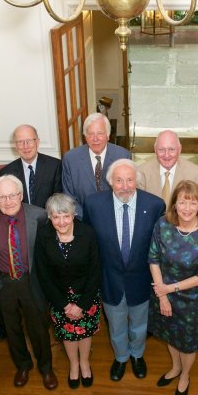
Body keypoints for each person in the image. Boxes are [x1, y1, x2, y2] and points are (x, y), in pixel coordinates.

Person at [0, 175, 58, 390]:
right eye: (2, 197)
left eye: (13, 195)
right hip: (1, 283)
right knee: (11, 328)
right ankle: (23, 365)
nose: (8, 201)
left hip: (30, 281)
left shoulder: (39, 215)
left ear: (21, 195)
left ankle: (46, 368)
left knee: (38, 328)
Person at [84, 159, 165, 382]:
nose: (125, 185)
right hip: (109, 279)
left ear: (137, 181)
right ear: (110, 182)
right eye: (119, 180)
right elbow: (89, 243)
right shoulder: (93, 204)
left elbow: (159, 247)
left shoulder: (156, 205)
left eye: (130, 180)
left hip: (141, 279)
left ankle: (137, 355)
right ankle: (121, 357)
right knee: (117, 324)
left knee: (139, 324)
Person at [148, 180, 198, 395]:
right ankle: (175, 367)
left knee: (187, 341)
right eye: (182, 202)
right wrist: (163, 295)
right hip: (163, 293)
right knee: (170, 333)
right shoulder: (163, 225)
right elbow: (153, 258)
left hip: (191, 298)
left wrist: (169, 289)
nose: (187, 209)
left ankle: (185, 375)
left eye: (192, 203)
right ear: (174, 205)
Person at [34, 194, 103, 389]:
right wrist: (64, 304)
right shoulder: (43, 236)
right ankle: (74, 364)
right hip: (59, 298)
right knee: (68, 333)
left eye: (66, 216)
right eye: (56, 217)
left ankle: (84, 362)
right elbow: (43, 274)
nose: (61, 222)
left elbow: (95, 271)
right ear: (50, 217)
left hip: (86, 296)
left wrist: (82, 305)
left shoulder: (88, 233)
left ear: (73, 215)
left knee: (84, 332)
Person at [61, 113, 130, 218]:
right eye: (90, 134)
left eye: (100, 133)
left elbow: (127, 191)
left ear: (108, 135)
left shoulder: (122, 156)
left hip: (116, 217)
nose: (95, 138)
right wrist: (87, 218)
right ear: (85, 136)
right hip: (83, 219)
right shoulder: (70, 159)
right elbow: (68, 197)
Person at [138, 130, 198, 208]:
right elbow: (140, 209)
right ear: (155, 150)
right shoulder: (142, 171)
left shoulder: (195, 173)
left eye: (171, 149)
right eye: (161, 150)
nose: (166, 155)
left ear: (179, 149)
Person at [0, 124, 63, 208]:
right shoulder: (7, 172)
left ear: (37, 142)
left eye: (29, 141)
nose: (26, 146)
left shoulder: (55, 166)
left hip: (47, 218)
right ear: (16, 146)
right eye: (20, 142)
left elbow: (59, 201)